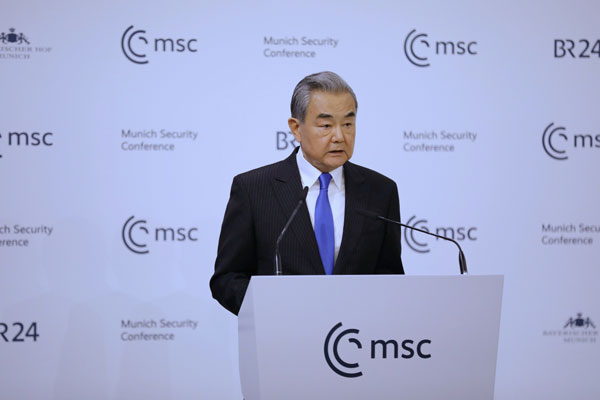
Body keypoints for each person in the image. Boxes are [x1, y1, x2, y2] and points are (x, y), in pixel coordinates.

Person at [210, 71, 404, 315]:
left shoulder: (381, 191)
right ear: (296, 129)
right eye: (326, 125)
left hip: (358, 335)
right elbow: (227, 279)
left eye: (347, 124)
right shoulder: (253, 189)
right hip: (283, 333)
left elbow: (390, 277)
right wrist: (272, 311)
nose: (339, 137)